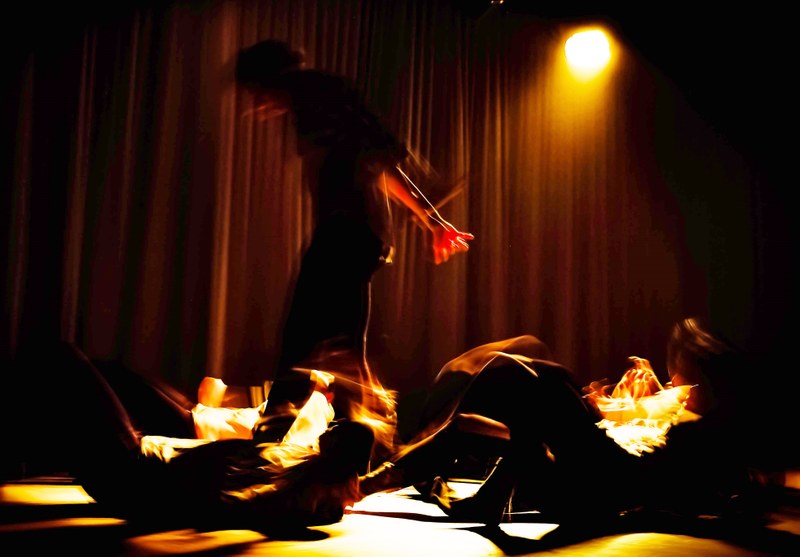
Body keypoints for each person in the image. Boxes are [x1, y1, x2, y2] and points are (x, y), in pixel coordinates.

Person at [234, 39, 474, 446]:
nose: (256, 105)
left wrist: (431, 212)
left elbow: (380, 154)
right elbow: (380, 160)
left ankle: (275, 434)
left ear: (266, 80)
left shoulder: (315, 93)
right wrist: (431, 218)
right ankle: (370, 436)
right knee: (343, 346)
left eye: (255, 93)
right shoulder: (316, 97)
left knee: (303, 337)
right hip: (360, 233)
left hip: (348, 230)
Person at [359, 317, 781, 528]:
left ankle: (493, 492)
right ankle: (365, 485)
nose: (675, 385)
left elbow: (699, 479)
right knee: (467, 421)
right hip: (584, 460)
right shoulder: (676, 410)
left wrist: (645, 404)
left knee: (534, 372)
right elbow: (629, 415)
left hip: (610, 474)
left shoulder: (701, 429)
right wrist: (622, 400)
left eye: (683, 378)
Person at [13, 340, 379, 531]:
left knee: (58, 355)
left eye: (337, 433)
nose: (330, 429)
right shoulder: (297, 467)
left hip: (131, 469)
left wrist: (321, 388)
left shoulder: (297, 479)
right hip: (137, 466)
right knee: (86, 373)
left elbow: (315, 439)